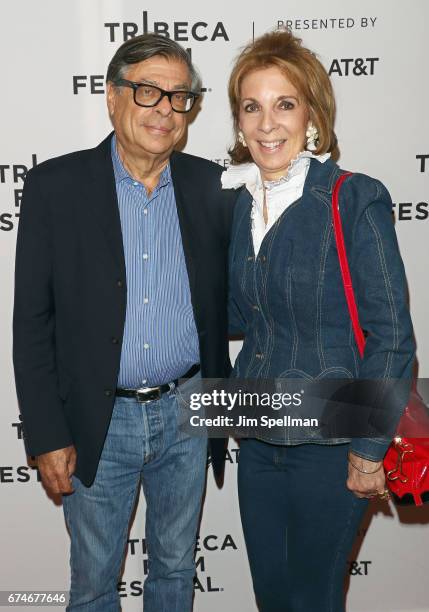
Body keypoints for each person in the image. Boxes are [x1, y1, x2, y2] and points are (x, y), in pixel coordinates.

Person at [13, 33, 237, 611]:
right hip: (98, 418)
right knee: (93, 584)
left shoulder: (213, 187)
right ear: (112, 98)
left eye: (179, 97)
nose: (166, 109)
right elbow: (31, 324)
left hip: (189, 408)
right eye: (147, 92)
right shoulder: (54, 188)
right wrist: (47, 433)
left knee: (174, 570)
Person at [222, 30, 415, 611]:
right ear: (237, 122)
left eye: (285, 104)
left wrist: (368, 448)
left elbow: (392, 337)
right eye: (252, 106)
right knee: (272, 598)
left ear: (312, 115)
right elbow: (243, 316)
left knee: (313, 600)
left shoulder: (354, 199)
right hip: (257, 436)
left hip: (333, 442)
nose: (266, 123)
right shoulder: (237, 202)